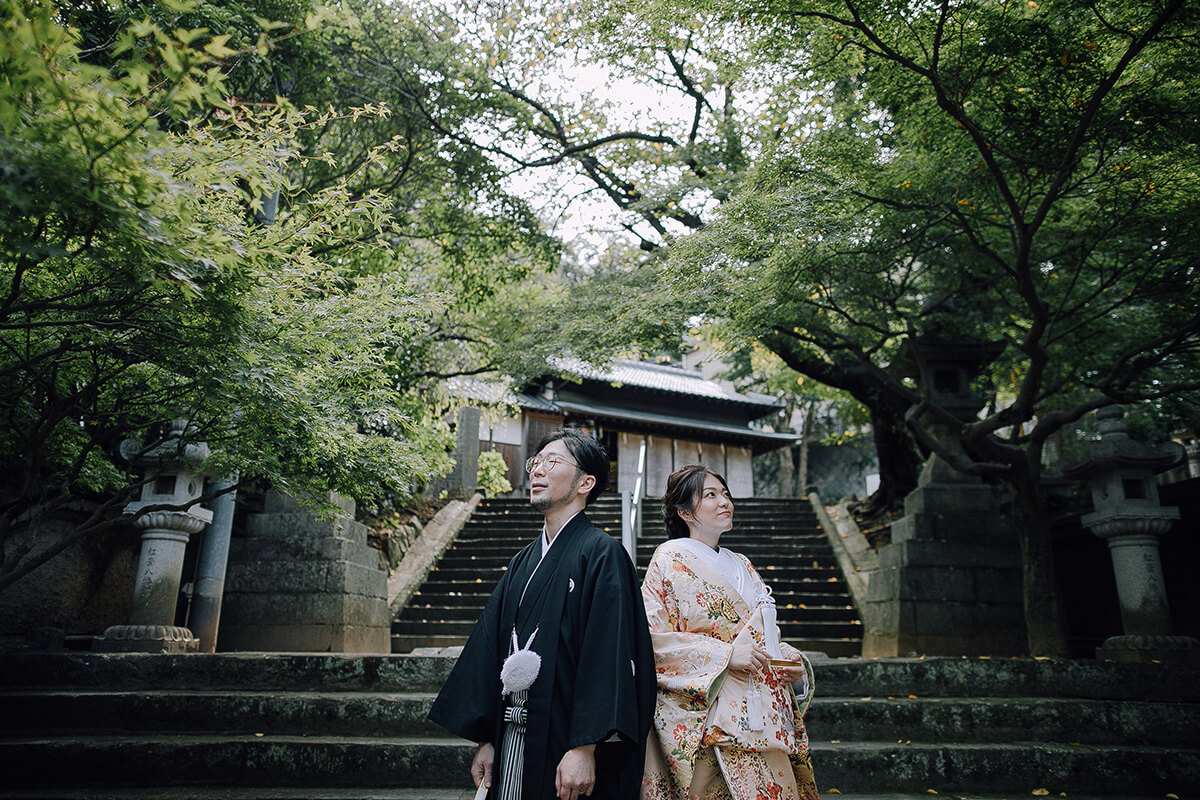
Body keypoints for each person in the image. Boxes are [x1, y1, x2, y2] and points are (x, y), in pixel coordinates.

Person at [428, 429, 657, 800]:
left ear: (586, 482)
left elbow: (609, 656)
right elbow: (491, 646)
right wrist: (489, 738)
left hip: (567, 740)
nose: (537, 471)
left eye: (552, 462)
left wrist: (585, 747)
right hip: (513, 734)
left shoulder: (603, 554)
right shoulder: (523, 561)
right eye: (536, 462)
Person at [640, 464, 819, 800]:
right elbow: (651, 639)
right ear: (684, 512)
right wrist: (724, 655)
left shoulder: (743, 563)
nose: (725, 502)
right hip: (710, 714)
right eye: (711, 495)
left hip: (764, 713)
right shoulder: (668, 559)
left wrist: (786, 659)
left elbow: (765, 635)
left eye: (725, 494)